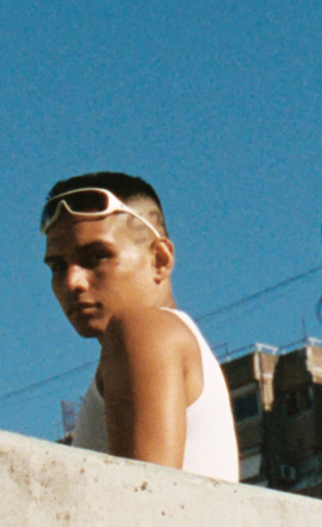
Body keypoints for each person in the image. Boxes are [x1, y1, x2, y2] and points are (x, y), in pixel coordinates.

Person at [40, 172, 239, 481]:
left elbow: (146, 503)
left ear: (159, 258)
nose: (72, 281)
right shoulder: (169, 339)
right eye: (57, 266)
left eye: (96, 257)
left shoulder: (146, 329)